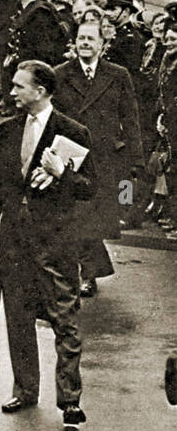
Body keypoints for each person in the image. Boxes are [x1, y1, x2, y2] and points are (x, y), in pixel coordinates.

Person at [0, 60, 95, 427]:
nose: (11, 92)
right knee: (18, 318)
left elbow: (91, 189)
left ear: (40, 91)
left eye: (18, 86)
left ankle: (70, 400)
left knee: (65, 319)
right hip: (14, 241)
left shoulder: (72, 132)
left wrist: (64, 174)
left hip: (56, 242)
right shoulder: (7, 130)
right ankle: (25, 390)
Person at [51, 21, 142, 298]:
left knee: (95, 217)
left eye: (91, 39)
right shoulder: (60, 74)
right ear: (74, 43)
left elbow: (130, 117)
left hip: (105, 158)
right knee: (78, 215)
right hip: (73, 156)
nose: (85, 43)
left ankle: (88, 272)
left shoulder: (118, 75)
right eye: (81, 39)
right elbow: (51, 119)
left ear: (102, 44)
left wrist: (135, 159)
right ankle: (87, 273)